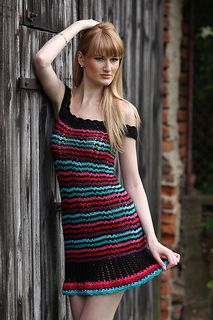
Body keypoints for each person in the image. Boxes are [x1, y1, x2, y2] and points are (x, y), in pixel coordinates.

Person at [34, 19, 180, 320]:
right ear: (81, 58)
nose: (108, 67)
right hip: (76, 241)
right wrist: (80, 26)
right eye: (100, 57)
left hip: (116, 233)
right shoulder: (64, 100)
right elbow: (41, 60)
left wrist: (151, 239)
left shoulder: (121, 110)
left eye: (115, 59)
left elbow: (133, 181)